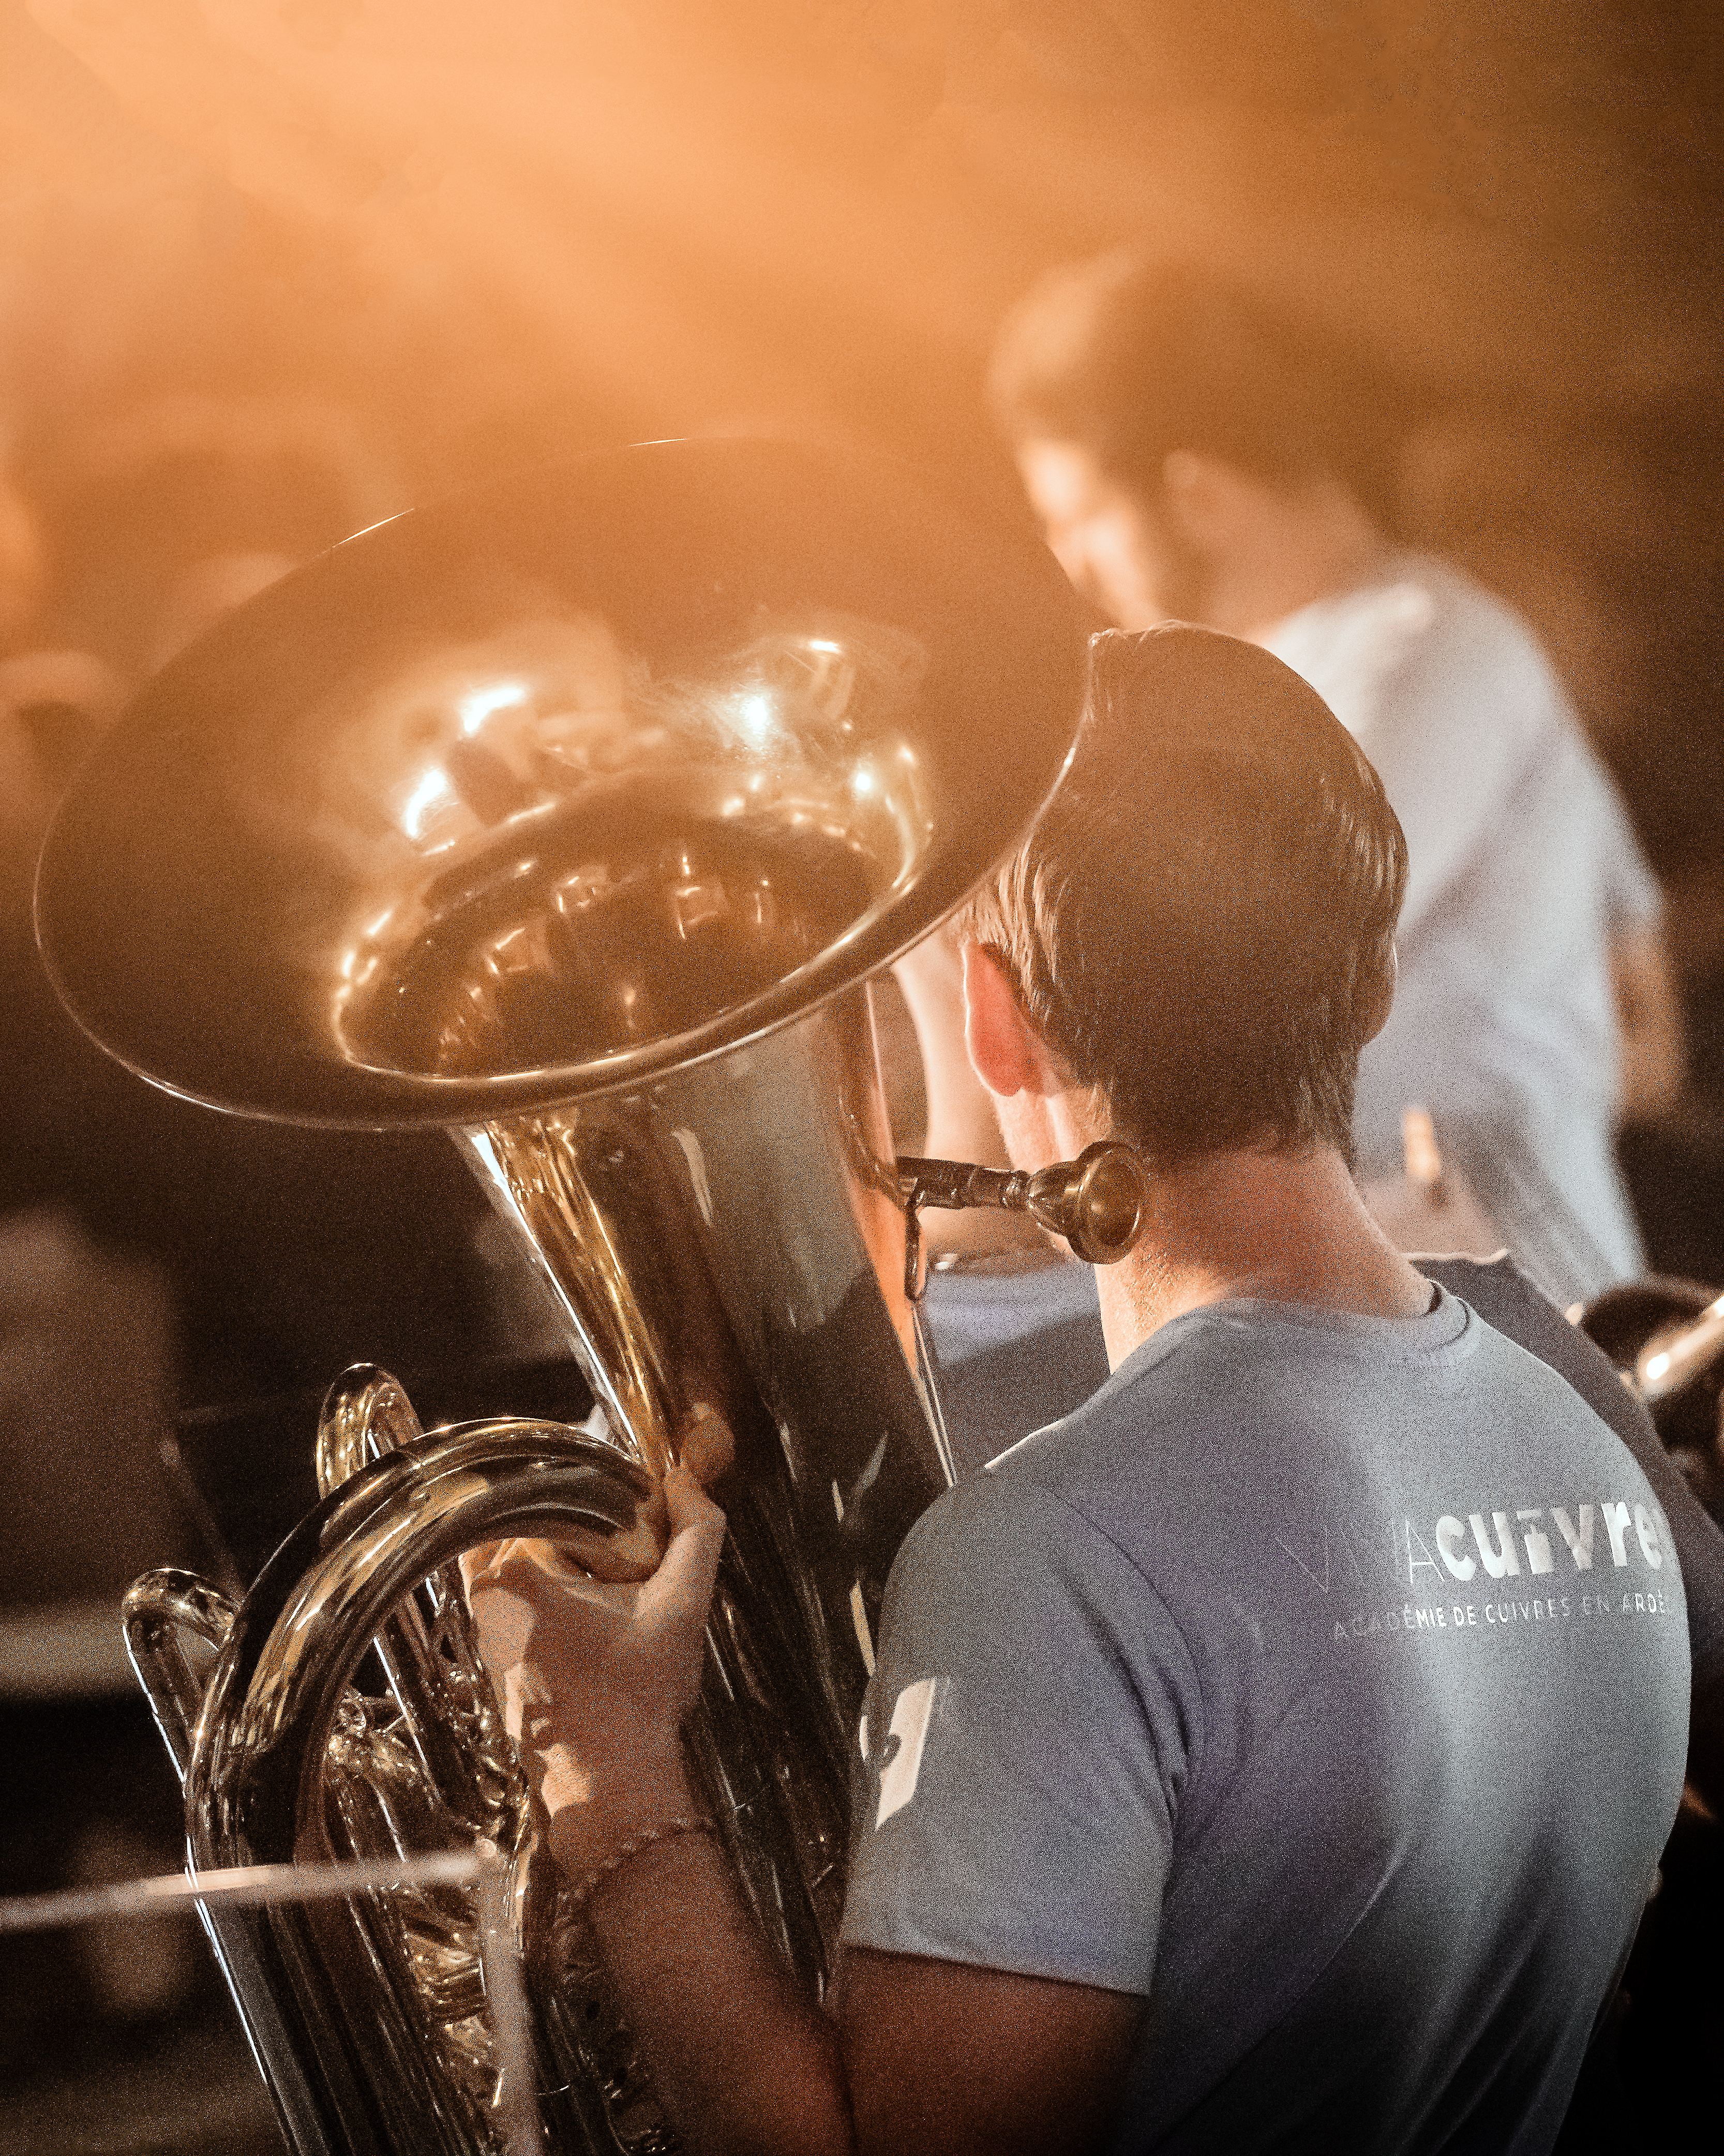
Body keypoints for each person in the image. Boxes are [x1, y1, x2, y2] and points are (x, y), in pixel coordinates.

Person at [464, 627, 1700, 2154]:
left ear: (993, 1019)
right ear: (1371, 982)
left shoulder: (1043, 1554)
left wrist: (606, 1781)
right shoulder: (1578, 1437)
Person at [983, 255, 1674, 1309]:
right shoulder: (1444, 651)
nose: (1069, 562)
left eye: (1078, 515)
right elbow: (1643, 1022)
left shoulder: (1425, 652)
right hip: (1402, 1299)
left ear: (1196, 492)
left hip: (1517, 1307)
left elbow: (1236, 960)